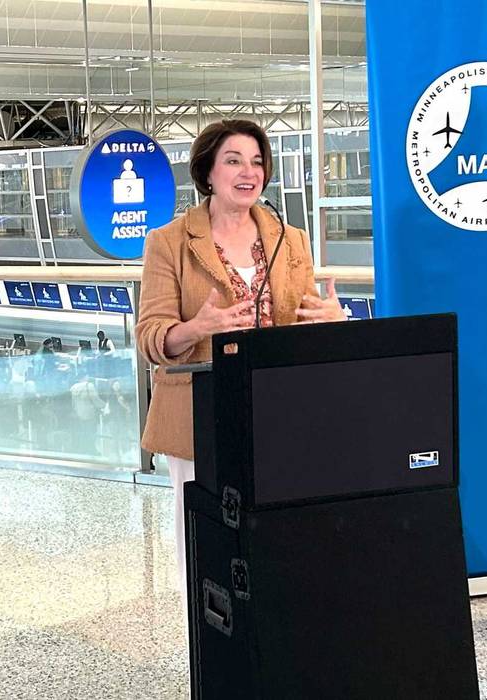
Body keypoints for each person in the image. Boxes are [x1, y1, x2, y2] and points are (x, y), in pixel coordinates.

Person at [134, 119, 346, 599]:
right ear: (207, 172)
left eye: (256, 162)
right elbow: (149, 337)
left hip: (279, 412)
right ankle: (210, 657)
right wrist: (197, 328)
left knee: (277, 537)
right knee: (205, 543)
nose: (248, 172)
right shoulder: (168, 242)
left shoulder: (289, 240)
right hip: (198, 415)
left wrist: (331, 317)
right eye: (233, 160)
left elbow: (302, 322)